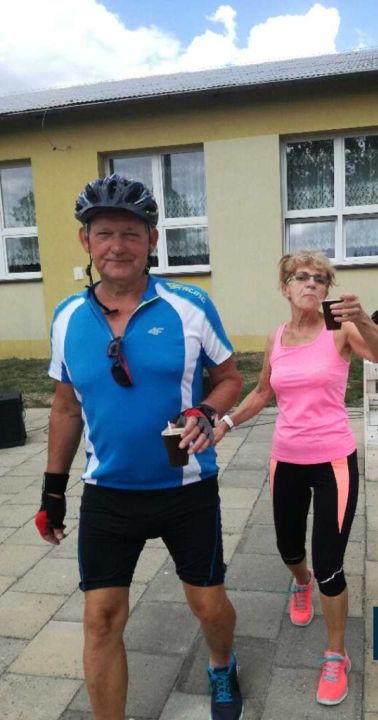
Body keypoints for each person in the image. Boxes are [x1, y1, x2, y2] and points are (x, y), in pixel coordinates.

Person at [34, 174, 244, 720]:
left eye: (131, 233)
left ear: (151, 240)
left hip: (186, 487)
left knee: (208, 605)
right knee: (101, 619)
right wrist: (52, 492)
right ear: (85, 240)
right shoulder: (66, 317)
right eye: (104, 233)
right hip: (108, 493)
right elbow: (65, 407)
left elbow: (229, 377)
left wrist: (205, 411)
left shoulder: (190, 305)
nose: (117, 246)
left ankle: (222, 664)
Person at [213, 250, 378, 706]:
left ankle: (336, 653)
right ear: (285, 288)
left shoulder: (340, 330)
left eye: (319, 279)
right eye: (300, 277)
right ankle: (300, 582)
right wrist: (226, 424)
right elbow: (262, 392)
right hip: (286, 459)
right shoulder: (276, 337)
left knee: (330, 565)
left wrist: (363, 318)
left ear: (327, 290)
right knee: (289, 549)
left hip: (333, 461)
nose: (311, 283)